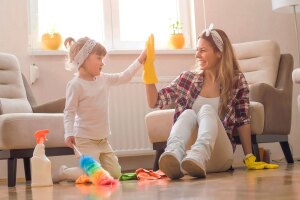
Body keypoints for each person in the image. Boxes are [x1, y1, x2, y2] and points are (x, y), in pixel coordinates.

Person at [144, 24, 278, 180]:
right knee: (187, 114)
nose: (197, 55)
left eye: (203, 50)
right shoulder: (188, 79)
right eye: (196, 50)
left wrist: (249, 156)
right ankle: (173, 153)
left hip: (219, 156)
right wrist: (148, 70)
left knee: (207, 110)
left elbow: (243, 120)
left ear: (219, 53)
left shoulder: (236, 80)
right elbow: (155, 101)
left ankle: (199, 154)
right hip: (187, 161)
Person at [53, 36, 147, 182]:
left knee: (115, 174)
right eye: (98, 58)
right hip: (84, 140)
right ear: (83, 59)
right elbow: (69, 111)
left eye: (103, 58)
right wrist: (69, 133)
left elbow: (124, 76)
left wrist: (141, 59)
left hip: (102, 140)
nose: (102, 62)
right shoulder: (75, 85)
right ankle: (63, 172)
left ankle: (79, 172)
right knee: (94, 174)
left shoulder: (104, 79)